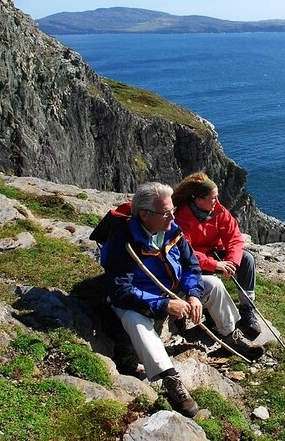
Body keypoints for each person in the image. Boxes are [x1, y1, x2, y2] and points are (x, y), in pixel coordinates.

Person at [101, 182, 263, 417]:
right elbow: (120, 291)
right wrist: (164, 304)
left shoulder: (171, 229)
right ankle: (169, 378)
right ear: (144, 215)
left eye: (172, 211)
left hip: (172, 288)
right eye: (166, 213)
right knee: (136, 322)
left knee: (214, 285)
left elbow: (191, 266)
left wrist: (194, 295)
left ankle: (230, 335)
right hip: (142, 299)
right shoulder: (123, 243)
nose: (172, 217)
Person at [172, 172, 262, 339]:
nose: (217, 201)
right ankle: (213, 315)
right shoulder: (182, 218)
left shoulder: (218, 211)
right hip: (197, 260)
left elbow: (234, 237)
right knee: (206, 277)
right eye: (213, 198)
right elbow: (185, 252)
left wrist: (232, 262)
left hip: (214, 253)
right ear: (199, 200)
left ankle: (246, 308)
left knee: (247, 259)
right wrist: (215, 265)